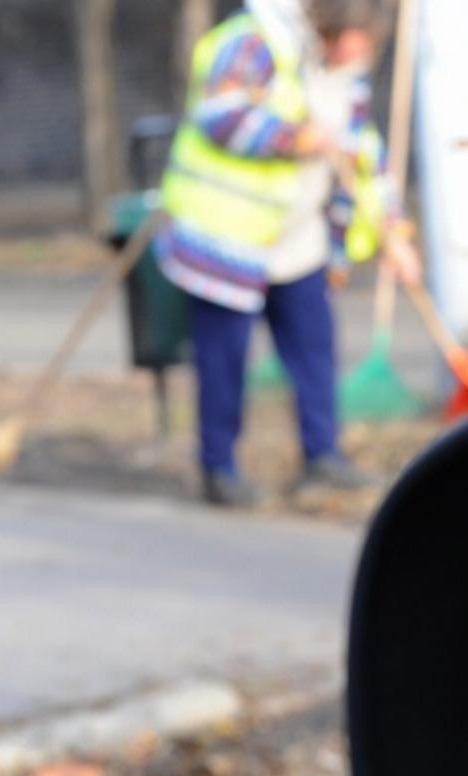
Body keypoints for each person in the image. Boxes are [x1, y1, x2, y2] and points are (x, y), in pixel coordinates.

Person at [155, 0, 421, 508]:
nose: (361, 56)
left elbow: (364, 151)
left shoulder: (345, 73)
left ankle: (323, 456)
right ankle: (219, 469)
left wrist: (394, 230)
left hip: (299, 237)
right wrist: (293, 137)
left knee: (314, 348)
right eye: (355, 42)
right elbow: (219, 115)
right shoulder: (253, 42)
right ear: (330, 26)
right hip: (226, 237)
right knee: (223, 359)